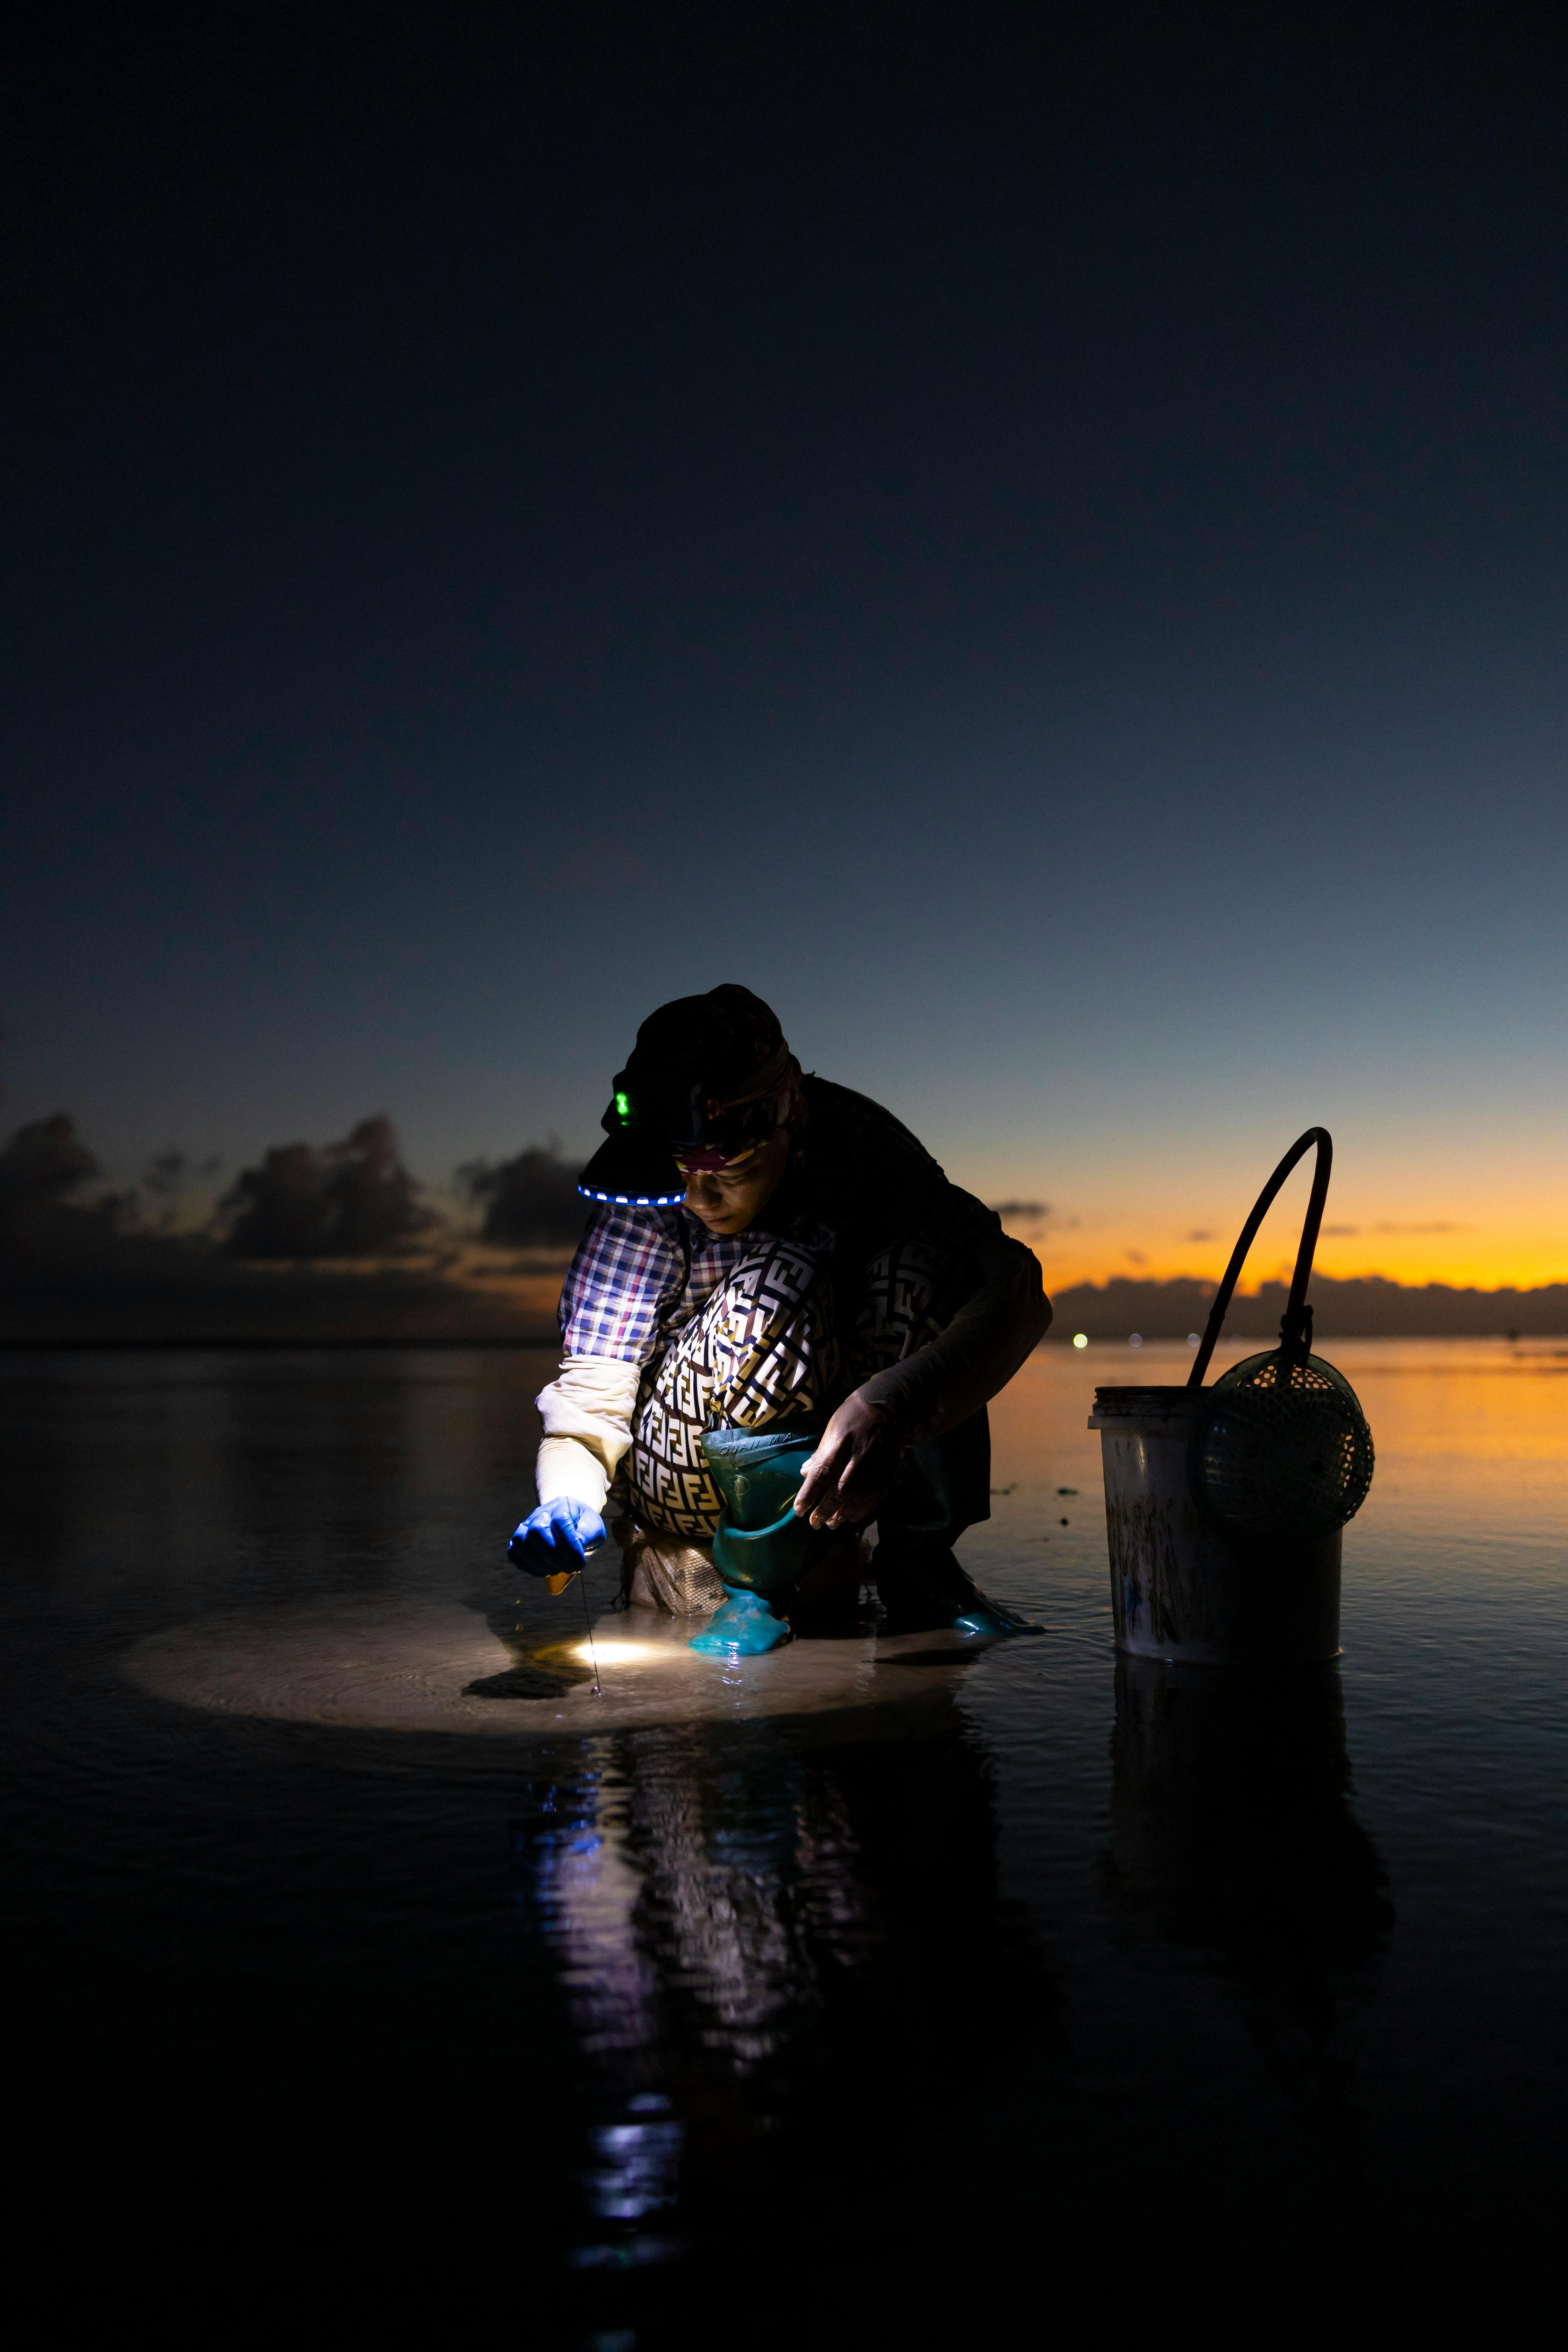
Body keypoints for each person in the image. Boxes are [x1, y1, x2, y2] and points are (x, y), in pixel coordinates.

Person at [507, 985, 1051, 1654]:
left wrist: (893, 1403)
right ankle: (753, 1583)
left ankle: (920, 1564)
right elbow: (589, 1405)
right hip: (682, 1460)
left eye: (724, 1171)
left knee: (929, 1266)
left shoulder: (857, 1143)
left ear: (788, 1110)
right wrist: (566, 1502)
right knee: (778, 1287)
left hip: (842, 1439)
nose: (696, 1196)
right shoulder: (644, 1195)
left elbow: (1011, 1284)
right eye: (679, 1170)